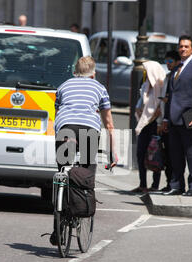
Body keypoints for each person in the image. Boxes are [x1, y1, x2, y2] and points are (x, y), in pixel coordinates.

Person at [50, 56, 118, 245]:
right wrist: (113, 152)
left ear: (74, 72)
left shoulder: (63, 86)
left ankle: (57, 226)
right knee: (87, 172)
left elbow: (57, 114)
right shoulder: (99, 88)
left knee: (61, 172)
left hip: (65, 129)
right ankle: (83, 206)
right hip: (88, 130)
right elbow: (110, 124)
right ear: (93, 73)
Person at [162, 35, 192, 197]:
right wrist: (166, 118)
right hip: (173, 119)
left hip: (188, 118)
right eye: (181, 46)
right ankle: (176, 185)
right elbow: (170, 96)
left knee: (191, 153)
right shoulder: (176, 68)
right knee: (175, 154)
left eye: (186, 46)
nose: (183, 49)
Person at [130, 61, 166, 194]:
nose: (145, 73)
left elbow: (160, 107)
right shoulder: (145, 85)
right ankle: (142, 184)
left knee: (155, 154)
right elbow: (141, 102)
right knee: (141, 154)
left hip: (155, 124)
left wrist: (157, 120)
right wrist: (139, 110)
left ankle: (155, 185)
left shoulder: (161, 86)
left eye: (147, 71)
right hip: (144, 124)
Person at [155, 50, 182, 194]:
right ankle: (169, 183)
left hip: (173, 121)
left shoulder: (176, 77)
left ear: (177, 62)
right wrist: (160, 121)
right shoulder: (167, 76)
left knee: (173, 155)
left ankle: (174, 184)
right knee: (166, 155)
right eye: (166, 61)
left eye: (170, 61)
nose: (168, 64)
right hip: (165, 120)